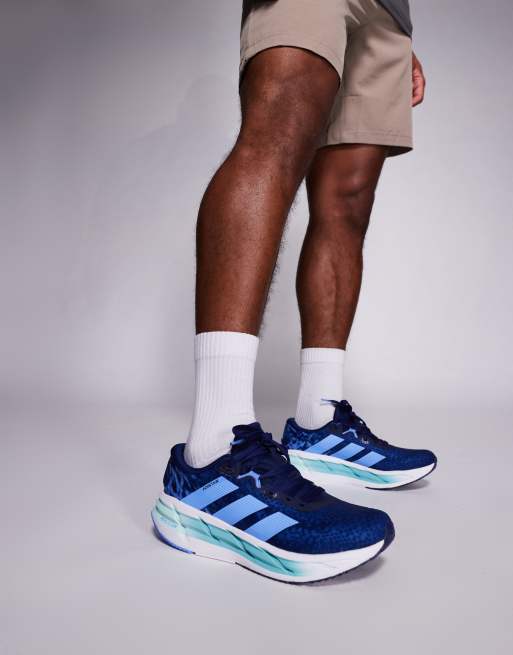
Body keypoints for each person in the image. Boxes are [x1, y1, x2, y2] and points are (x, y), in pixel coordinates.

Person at [151, 0, 437, 583]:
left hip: (388, 13)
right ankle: (211, 455)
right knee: (276, 137)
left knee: (348, 201)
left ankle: (319, 420)